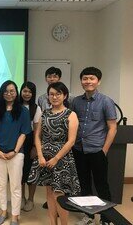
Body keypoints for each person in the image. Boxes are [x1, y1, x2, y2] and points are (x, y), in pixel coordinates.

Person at [28, 82, 80, 225]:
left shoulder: (71, 114)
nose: (55, 97)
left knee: (60, 195)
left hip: (61, 159)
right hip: (45, 158)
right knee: (49, 193)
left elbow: (71, 141)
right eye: (51, 94)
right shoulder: (44, 113)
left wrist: (56, 158)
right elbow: (37, 136)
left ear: (65, 96)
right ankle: (52, 223)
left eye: (58, 94)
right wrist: (40, 155)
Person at [71, 67, 117, 225]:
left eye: (92, 78)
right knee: (84, 185)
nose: (88, 81)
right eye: (85, 78)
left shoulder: (106, 101)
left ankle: (106, 218)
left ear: (98, 81)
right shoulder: (76, 101)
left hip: (97, 150)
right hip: (79, 149)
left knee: (102, 185)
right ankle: (88, 216)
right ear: (81, 81)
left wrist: (104, 150)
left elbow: (112, 127)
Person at [0, 80, 31, 225]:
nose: (9, 94)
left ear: (16, 92)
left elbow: (24, 133)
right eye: (6, 91)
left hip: (17, 153)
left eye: (12, 91)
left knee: (15, 185)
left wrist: (14, 151)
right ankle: (3, 211)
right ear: (2, 92)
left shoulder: (23, 111)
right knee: (0, 184)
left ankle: (14, 215)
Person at [20, 81, 41, 212]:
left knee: (31, 172)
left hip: (30, 142)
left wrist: (35, 147)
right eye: (24, 91)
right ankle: (21, 197)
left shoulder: (36, 108)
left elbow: (38, 130)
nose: (26, 94)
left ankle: (31, 199)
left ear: (33, 94)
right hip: (17, 142)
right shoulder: (16, 105)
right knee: (19, 172)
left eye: (29, 92)